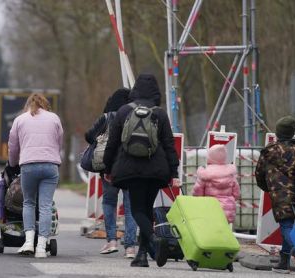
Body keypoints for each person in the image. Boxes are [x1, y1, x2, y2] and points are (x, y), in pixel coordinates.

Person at [103, 73, 180, 268]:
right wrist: (174, 172)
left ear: (136, 88)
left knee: (137, 210)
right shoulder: (160, 113)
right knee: (147, 210)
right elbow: (169, 145)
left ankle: (154, 241)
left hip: (131, 168)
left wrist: (107, 166)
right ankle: (142, 256)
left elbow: (112, 143)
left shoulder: (123, 111)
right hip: (156, 170)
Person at [8, 93, 63, 258]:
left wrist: (12, 163)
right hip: (50, 166)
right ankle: (41, 246)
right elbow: (58, 142)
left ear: (28, 105)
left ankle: (28, 242)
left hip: (29, 166)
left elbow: (13, 145)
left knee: (29, 202)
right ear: (45, 104)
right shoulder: (54, 119)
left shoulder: (20, 120)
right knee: (45, 206)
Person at [84, 88, 137, 258]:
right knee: (130, 207)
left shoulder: (107, 118)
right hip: (130, 168)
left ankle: (111, 241)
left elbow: (89, 135)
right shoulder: (136, 116)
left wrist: (99, 140)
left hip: (109, 169)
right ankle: (130, 247)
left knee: (109, 202)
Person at [255, 116, 295, 274]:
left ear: (277, 133)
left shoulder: (268, 151)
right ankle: (284, 262)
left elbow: (259, 174)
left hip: (278, 195)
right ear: (292, 133)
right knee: (291, 225)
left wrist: (268, 188)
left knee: (286, 226)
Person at [192, 144, 240, 224]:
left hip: (210, 209)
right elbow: (237, 193)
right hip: (228, 210)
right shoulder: (230, 174)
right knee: (223, 230)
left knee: (211, 231)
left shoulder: (205, 174)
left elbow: (197, 193)